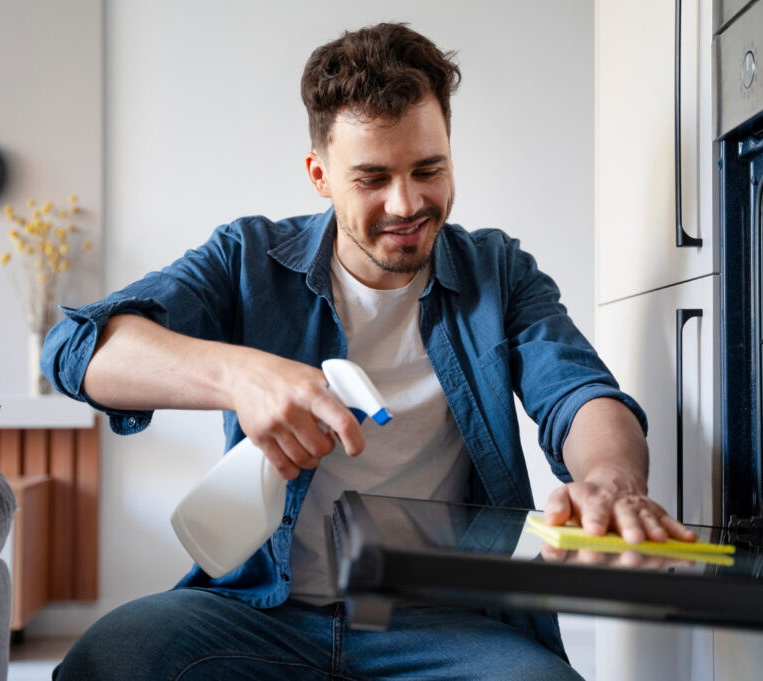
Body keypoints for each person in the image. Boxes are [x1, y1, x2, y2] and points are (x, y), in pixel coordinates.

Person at [44, 22, 695, 681]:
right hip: (261, 614)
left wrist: (612, 480)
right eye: (372, 177)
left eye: (428, 169)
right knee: (111, 660)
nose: (406, 203)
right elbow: (77, 348)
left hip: (442, 620)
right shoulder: (246, 258)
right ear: (320, 174)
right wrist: (238, 375)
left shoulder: (498, 272)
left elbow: (578, 392)